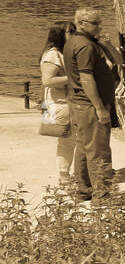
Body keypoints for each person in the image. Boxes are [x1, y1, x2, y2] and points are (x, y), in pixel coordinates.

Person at [64, 7, 119, 203]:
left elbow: (118, 60)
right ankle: (102, 195)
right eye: (96, 23)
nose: (100, 27)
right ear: (81, 24)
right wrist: (100, 108)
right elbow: (86, 79)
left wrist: (105, 43)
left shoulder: (77, 41)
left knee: (83, 147)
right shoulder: (85, 46)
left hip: (79, 104)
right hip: (89, 105)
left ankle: (84, 189)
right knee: (98, 150)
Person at [39, 21, 74, 186]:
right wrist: (74, 78)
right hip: (59, 103)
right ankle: (64, 176)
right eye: (70, 31)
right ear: (59, 34)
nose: (73, 34)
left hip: (62, 102)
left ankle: (66, 175)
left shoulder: (60, 53)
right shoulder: (53, 55)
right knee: (68, 141)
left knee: (70, 140)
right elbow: (48, 80)